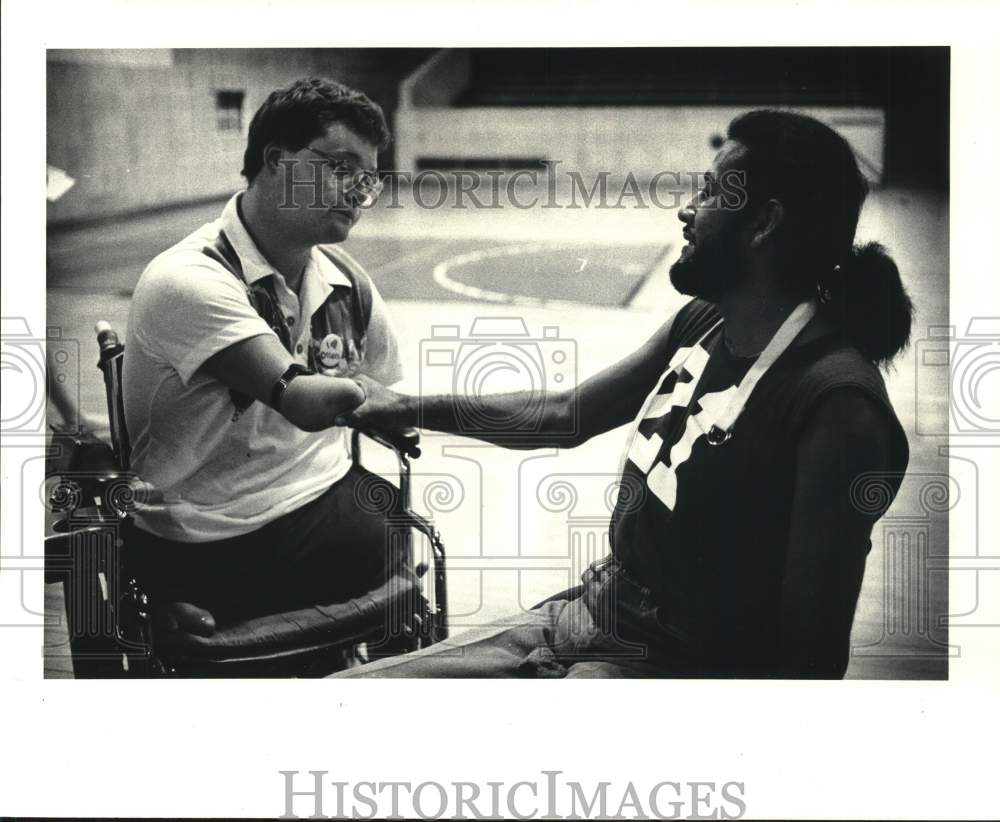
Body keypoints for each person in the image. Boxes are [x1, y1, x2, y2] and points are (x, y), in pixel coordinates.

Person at [335, 109, 913, 679]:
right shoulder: (704, 322)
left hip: (672, 667)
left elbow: (808, 662)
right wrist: (403, 406)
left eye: (710, 193)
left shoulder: (838, 407)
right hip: (588, 614)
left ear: (764, 223)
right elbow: (564, 415)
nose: (687, 210)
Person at [123, 77, 406, 629]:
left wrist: (392, 405)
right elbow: (299, 398)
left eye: (367, 179)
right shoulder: (188, 278)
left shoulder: (347, 281)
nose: (357, 193)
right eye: (340, 168)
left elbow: (388, 393)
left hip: (315, 497)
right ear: (276, 160)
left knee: (391, 519)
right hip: (206, 532)